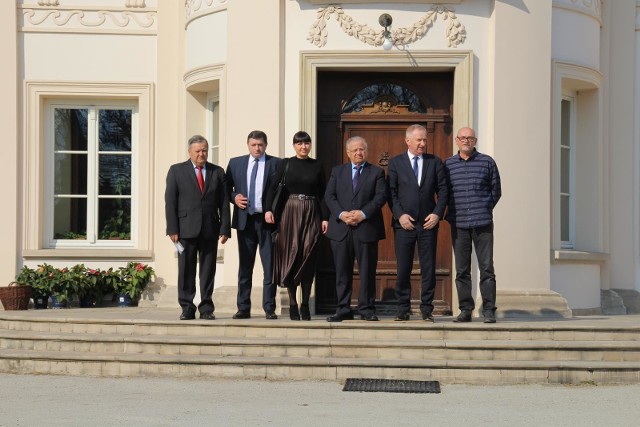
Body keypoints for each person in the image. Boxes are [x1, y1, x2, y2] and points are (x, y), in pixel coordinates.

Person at [165, 135, 231, 320]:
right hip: (185, 230)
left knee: (208, 271)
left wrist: (225, 228)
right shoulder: (176, 171)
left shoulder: (217, 172)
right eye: (198, 151)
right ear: (190, 152)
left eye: (204, 150)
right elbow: (170, 202)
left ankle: (206, 308)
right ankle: (187, 307)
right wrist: (172, 229)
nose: (201, 154)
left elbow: (224, 202)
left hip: (210, 229)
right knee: (186, 269)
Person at [387, 124, 449, 322]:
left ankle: (426, 309)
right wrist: (400, 215)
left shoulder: (435, 162)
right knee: (403, 268)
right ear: (408, 141)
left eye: (424, 140)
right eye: (418, 140)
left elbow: (444, 191)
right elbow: (391, 193)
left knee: (428, 268)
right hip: (404, 224)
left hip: (428, 224)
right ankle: (403, 309)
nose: (423, 143)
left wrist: (438, 214)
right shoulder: (396, 163)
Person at [265, 131, 328, 321]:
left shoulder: (317, 165)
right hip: (290, 212)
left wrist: (325, 218)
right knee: (291, 255)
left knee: (308, 256)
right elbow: (273, 188)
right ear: (294, 146)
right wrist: (268, 210)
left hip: (311, 212)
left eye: (306, 143)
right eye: (299, 144)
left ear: (310, 145)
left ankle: (305, 305)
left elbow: (323, 194)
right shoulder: (286, 163)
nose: (303, 147)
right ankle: (293, 304)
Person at [324, 136, 386, 322]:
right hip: (341, 229)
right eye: (355, 150)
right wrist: (342, 215)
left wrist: (363, 214)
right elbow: (329, 196)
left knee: (367, 271)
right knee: (342, 272)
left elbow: (380, 197)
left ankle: (366, 309)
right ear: (348, 152)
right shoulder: (337, 171)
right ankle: (343, 308)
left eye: (362, 149)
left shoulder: (376, 172)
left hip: (366, 228)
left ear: (366, 151)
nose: (359, 153)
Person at [444, 127, 501, 323]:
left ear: (475, 140)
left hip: (482, 222)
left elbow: (496, 191)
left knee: (486, 268)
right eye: (462, 138)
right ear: (457, 141)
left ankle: (489, 310)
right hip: (458, 223)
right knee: (462, 270)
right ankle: (465, 309)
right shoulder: (448, 165)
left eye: (470, 138)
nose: (466, 141)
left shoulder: (487, 162)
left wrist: (484, 208)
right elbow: (443, 192)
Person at [225, 130, 281, 320]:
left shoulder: (276, 163)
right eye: (253, 145)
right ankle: (243, 308)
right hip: (245, 221)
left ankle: (269, 308)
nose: (257, 148)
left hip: (267, 223)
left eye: (260, 145)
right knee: (245, 266)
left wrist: (271, 209)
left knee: (269, 267)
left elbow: (282, 192)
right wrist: (234, 197)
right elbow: (225, 188)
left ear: (266, 145)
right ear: (248, 145)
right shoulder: (235, 163)